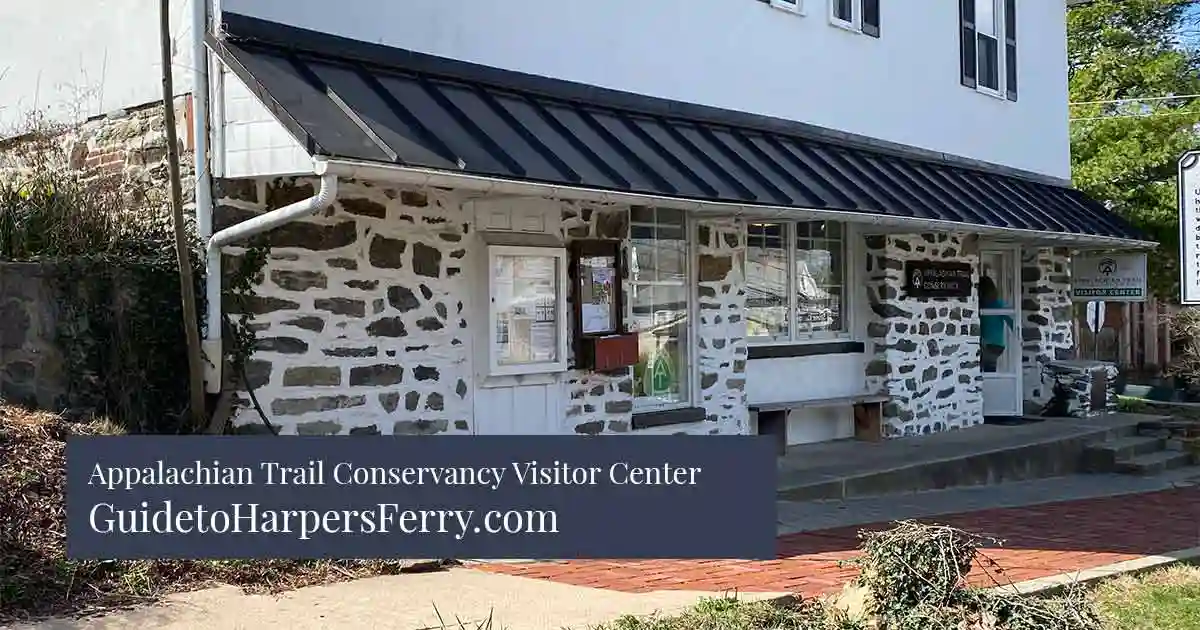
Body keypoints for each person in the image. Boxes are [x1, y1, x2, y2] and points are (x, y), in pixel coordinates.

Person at [979, 275, 1013, 373]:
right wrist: (1020, 334)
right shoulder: (998, 303)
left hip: (986, 344)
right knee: (989, 370)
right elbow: (1011, 321)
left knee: (985, 370)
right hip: (998, 344)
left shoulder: (981, 305)